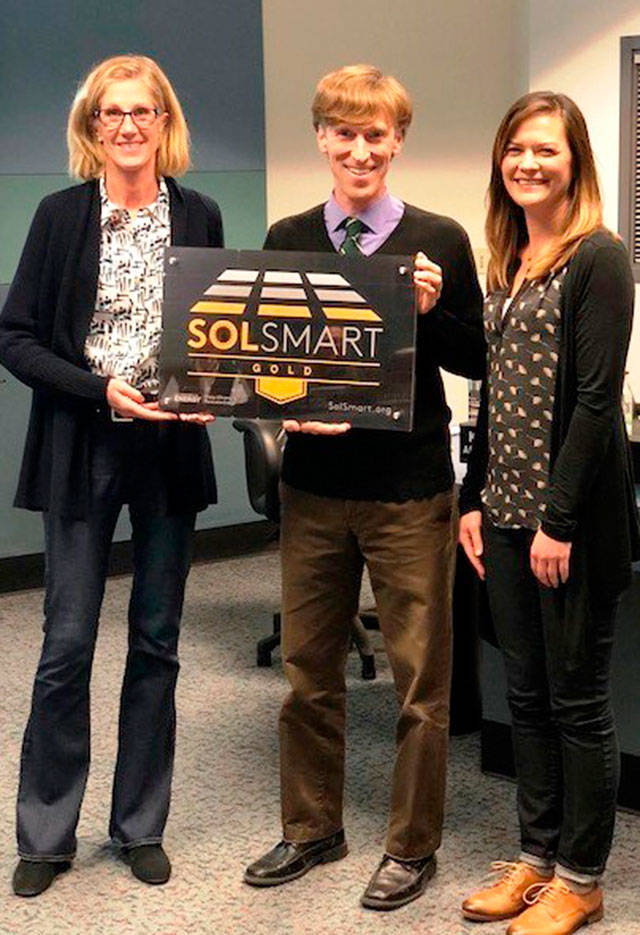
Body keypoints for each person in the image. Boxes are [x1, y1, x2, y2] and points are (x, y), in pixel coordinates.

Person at [244, 64, 484, 910]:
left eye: (375, 134)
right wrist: (284, 413)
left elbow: (474, 360)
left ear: (397, 142)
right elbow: (263, 366)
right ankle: (312, 828)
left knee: (422, 684)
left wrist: (440, 306)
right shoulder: (286, 235)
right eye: (343, 133)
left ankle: (411, 847)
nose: (359, 148)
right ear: (321, 139)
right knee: (310, 670)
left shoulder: (439, 238)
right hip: (313, 489)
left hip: (409, 491)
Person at [0, 54, 223, 897]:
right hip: (80, 443)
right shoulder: (60, 217)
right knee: (65, 644)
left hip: (169, 451)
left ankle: (140, 824)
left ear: (166, 123)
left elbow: (219, 333)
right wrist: (100, 390)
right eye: (111, 114)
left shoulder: (199, 213)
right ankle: (48, 830)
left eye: (143, 111)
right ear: (91, 129)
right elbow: (15, 337)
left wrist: (213, 390)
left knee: (158, 642)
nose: (128, 127)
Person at [458, 91, 638, 935]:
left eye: (547, 151)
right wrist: (471, 500)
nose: (529, 163)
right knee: (523, 694)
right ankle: (534, 857)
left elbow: (596, 404)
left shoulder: (600, 258)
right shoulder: (507, 260)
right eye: (516, 150)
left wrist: (557, 522)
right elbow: (492, 395)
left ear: (575, 163)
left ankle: (581, 876)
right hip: (500, 513)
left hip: (566, 525)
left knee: (576, 701)